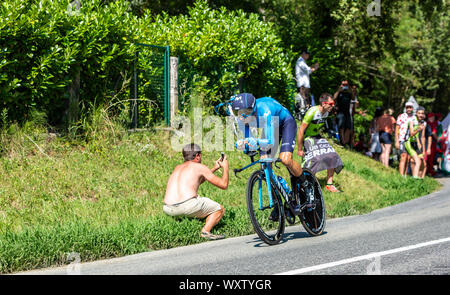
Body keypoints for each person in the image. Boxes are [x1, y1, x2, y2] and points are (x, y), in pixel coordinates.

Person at [232, 93, 305, 216]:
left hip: (285, 123)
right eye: (237, 112)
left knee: (285, 159)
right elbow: (251, 143)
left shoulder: (265, 111)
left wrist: (255, 142)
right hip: (271, 128)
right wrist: (245, 146)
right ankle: (278, 202)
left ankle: (305, 183)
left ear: (253, 109)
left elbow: (270, 141)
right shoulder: (242, 120)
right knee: (265, 163)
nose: (241, 116)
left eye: (244, 112)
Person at [163, 143, 229, 240]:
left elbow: (197, 181)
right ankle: (205, 231)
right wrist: (225, 167)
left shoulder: (177, 168)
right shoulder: (200, 167)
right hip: (187, 207)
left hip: (168, 208)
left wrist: (214, 168)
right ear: (197, 156)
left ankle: (183, 223)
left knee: (191, 204)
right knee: (219, 209)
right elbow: (224, 185)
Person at [297, 93, 344, 193]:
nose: (332, 106)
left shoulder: (328, 112)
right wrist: (300, 149)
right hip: (307, 137)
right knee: (316, 159)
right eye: (330, 104)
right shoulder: (312, 112)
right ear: (323, 104)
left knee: (332, 155)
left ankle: (329, 185)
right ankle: (308, 182)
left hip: (317, 136)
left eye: (333, 103)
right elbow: (301, 130)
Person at [395, 101, 417, 176]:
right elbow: (397, 128)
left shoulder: (414, 117)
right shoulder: (401, 116)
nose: (409, 109)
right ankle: (401, 175)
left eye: (410, 107)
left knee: (408, 158)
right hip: (402, 139)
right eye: (407, 107)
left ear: (412, 108)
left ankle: (405, 174)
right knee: (403, 156)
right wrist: (397, 141)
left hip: (411, 140)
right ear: (405, 108)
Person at [294, 49, 319, 113]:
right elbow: (308, 70)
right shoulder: (300, 61)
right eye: (307, 55)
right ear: (304, 54)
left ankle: (305, 114)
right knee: (303, 101)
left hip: (304, 85)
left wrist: (313, 66)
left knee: (306, 101)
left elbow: (307, 69)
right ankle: (303, 115)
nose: (308, 56)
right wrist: (315, 68)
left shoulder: (302, 61)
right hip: (303, 85)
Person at [405, 107, 426, 179]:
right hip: (408, 142)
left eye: (422, 113)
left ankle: (420, 179)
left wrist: (423, 149)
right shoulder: (412, 120)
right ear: (416, 113)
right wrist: (418, 129)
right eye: (419, 113)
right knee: (418, 161)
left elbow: (422, 137)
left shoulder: (423, 123)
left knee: (423, 163)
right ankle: (415, 179)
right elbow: (411, 134)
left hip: (415, 143)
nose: (421, 115)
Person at [334, 80, 353, 147]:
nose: (345, 86)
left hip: (347, 112)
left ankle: (346, 142)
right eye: (343, 85)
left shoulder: (349, 94)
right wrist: (339, 90)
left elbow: (353, 97)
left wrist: (350, 88)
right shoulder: (339, 93)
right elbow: (334, 98)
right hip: (340, 112)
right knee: (341, 127)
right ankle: (342, 142)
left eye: (346, 85)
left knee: (348, 128)